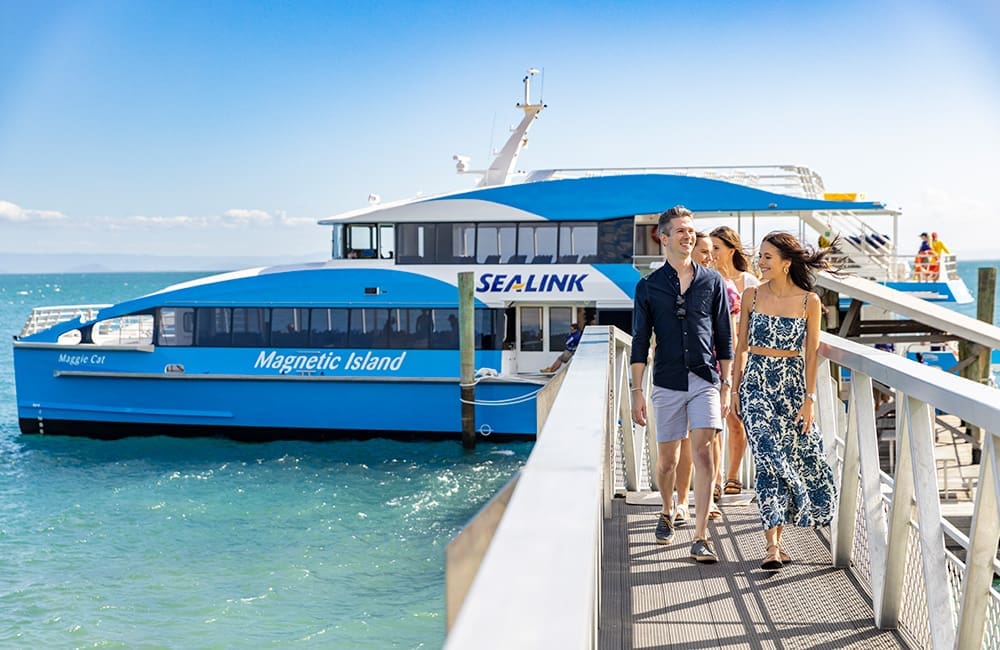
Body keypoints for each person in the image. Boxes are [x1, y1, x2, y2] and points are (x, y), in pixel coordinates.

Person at [631, 206, 733, 563]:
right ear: (663, 237)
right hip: (668, 381)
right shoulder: (648, 286)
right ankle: (666, 508)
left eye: (691, 231)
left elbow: (724, 333)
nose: (688, 236)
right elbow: (640, 341)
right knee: (667, 463)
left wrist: (726, 384)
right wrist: (637, 392)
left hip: (705, 378)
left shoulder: (712, 281)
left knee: (704, 451)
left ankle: (701, 535)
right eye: (680, 231)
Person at [732, 231, 837, 570]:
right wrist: (735, 390)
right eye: (759, 256)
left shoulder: (810, 301)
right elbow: (741, 348)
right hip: (756, 386)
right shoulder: (751, 295)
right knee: (766, 458)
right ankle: (771, 546)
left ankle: (788, 520)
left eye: (767, 257)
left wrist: (809, 399)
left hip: (791, 387)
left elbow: (810, 354)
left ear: (786, 263)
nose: (760, 263)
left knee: (787, 458)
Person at [710, 226, 761, 498]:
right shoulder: (706, 278)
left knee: (736, 420)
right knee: (713, 418)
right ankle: (716, 477)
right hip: (712, 358)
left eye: (717, 248)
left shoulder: (749, 282)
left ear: (731, 250)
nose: (712, 253)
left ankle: (732, 475)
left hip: (744, 357)